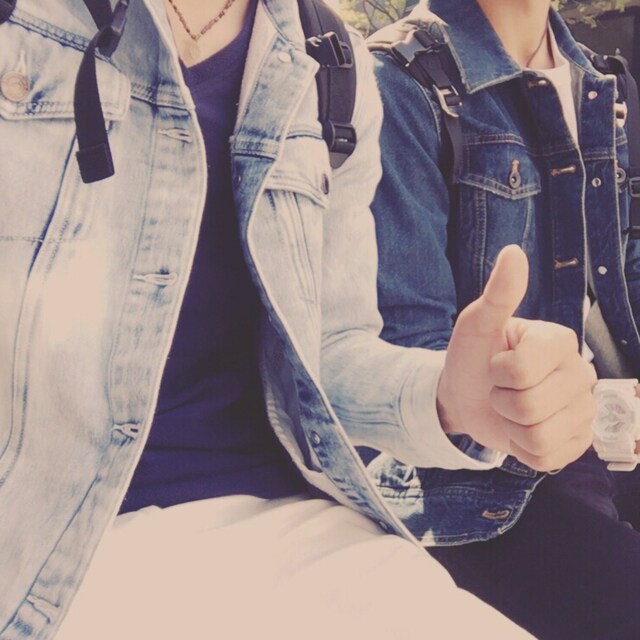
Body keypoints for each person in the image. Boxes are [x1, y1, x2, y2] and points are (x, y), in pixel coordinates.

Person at [0, 0, 594, 638]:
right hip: (42, 544)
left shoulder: (330, 63)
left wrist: (448, 396)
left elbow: (330, 348)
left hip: (295, 533)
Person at [370, 0, 640, 638]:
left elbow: (624, 261)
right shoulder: (397, 81)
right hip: (490, 479)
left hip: (614, 416)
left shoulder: (601, 79)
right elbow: (409, 348)